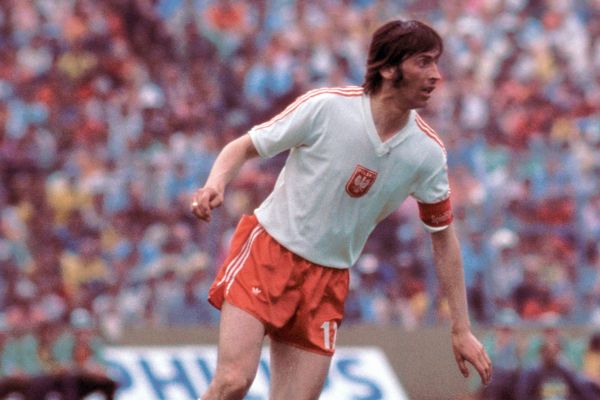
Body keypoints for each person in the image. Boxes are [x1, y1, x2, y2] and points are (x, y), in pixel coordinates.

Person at [191, 19, 493, 399]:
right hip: (268, 254)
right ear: (388, 68)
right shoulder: (327, 107)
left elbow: (444, 239)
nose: (436, 75)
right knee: (233, 381)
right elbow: (243, 146)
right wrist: (215, 183)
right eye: (423, 62)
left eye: (436, 62)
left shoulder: (426, 153)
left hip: (327, 279)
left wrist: (461, 328)